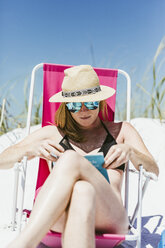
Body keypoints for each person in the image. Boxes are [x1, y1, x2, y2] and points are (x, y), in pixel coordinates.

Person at [0, 65, 158, 248]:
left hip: (110, 216)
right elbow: (3, 160)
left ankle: (24, 243)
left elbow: (153, 169)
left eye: (91, 103)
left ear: (101, 101)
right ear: (66, 106)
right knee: (83, 191)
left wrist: (131, 152)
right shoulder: (51, 133)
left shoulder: (121, 130)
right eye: (75, 105)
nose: (83, 110)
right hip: (59, 213)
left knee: (70, 159)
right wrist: (31, 149)